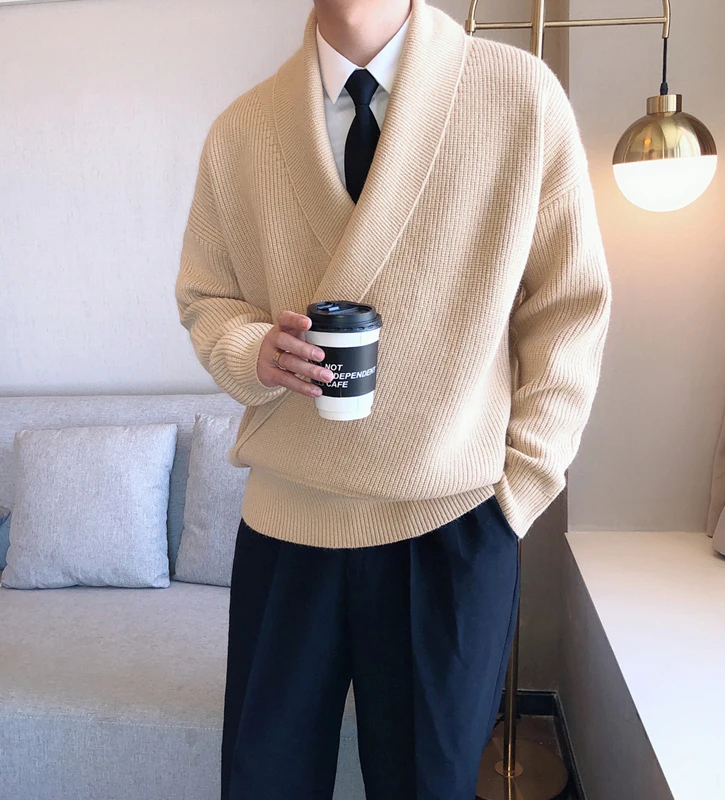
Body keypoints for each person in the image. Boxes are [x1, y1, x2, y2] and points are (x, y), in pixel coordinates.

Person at [175, 0, 611, 797]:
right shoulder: (242, 132)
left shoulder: (518, 97)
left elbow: (568, 307)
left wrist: (518, 487)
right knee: (263, 783)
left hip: (449, 526)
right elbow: (207, 297)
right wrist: (252, 350)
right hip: (287, 523)